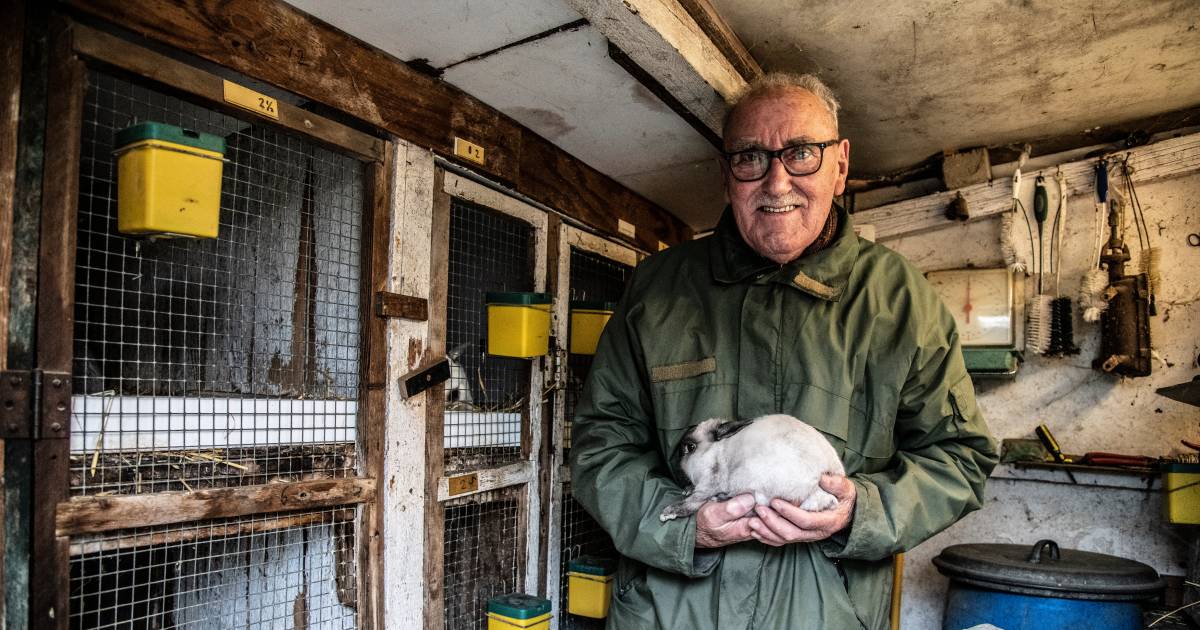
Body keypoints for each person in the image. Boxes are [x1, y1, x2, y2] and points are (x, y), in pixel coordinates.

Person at [568, 72, 998, 629]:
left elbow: (961, 457)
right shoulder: (658, 291)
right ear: (727, 176)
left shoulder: (900, 302)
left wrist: (858, 512)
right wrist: (680, 526)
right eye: (750, 158)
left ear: (840, 166)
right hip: (672, 612)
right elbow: (601, 447)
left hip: (827, 613)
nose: (776, 183)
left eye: (801, 154)